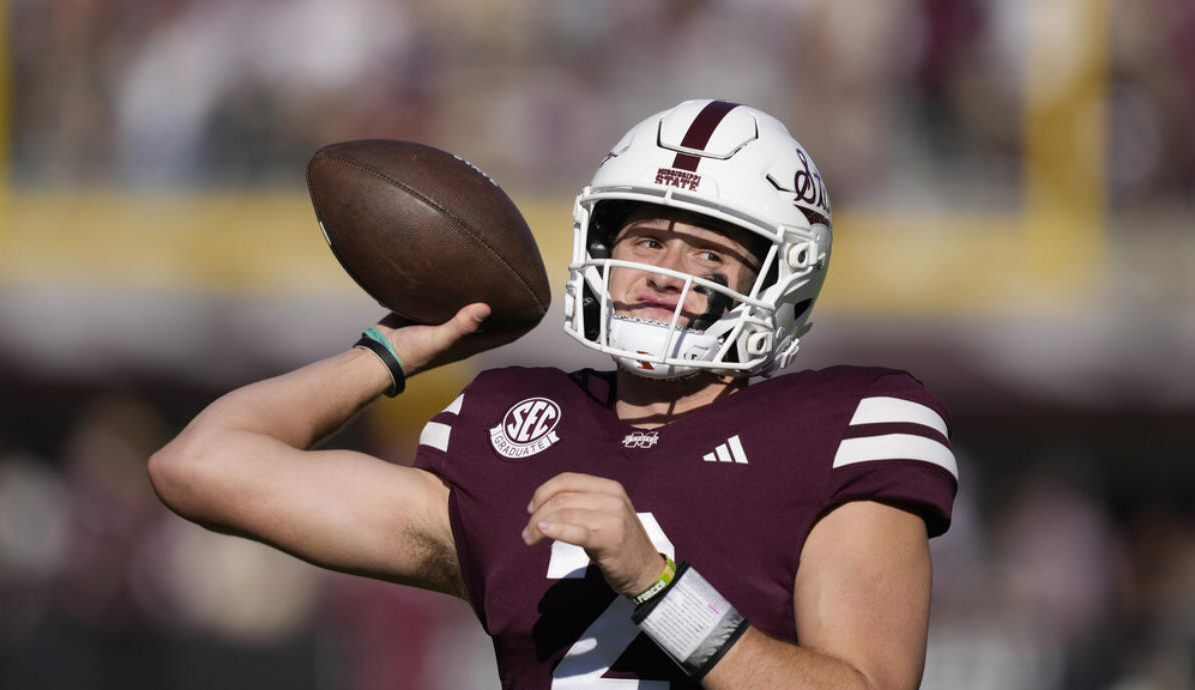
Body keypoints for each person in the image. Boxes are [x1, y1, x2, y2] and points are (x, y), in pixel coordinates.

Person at [149, 99, 957, 689]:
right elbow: (200, 464)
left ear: (783, 282)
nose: (660, 272)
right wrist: (395, 350)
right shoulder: (513, 426)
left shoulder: (845, 421)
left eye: (707, 254)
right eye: (644, 237)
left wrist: (657, 586)